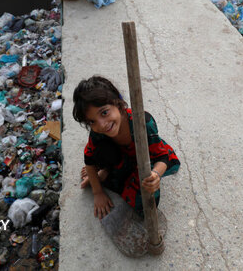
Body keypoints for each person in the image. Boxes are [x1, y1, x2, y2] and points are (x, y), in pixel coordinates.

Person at [73, 76, 180, 219]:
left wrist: (156, 175)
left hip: (148, 160)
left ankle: (106, 172)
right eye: (92, 121)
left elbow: (163, 157)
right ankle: (106, 170)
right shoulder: (97, 132)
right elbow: (89, 160)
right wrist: (97, 191)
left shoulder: (143, 123)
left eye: (104, 113)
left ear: (118, 104)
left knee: (145, 200)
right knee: (100, 152)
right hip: (121, 157)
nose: (102, 125)